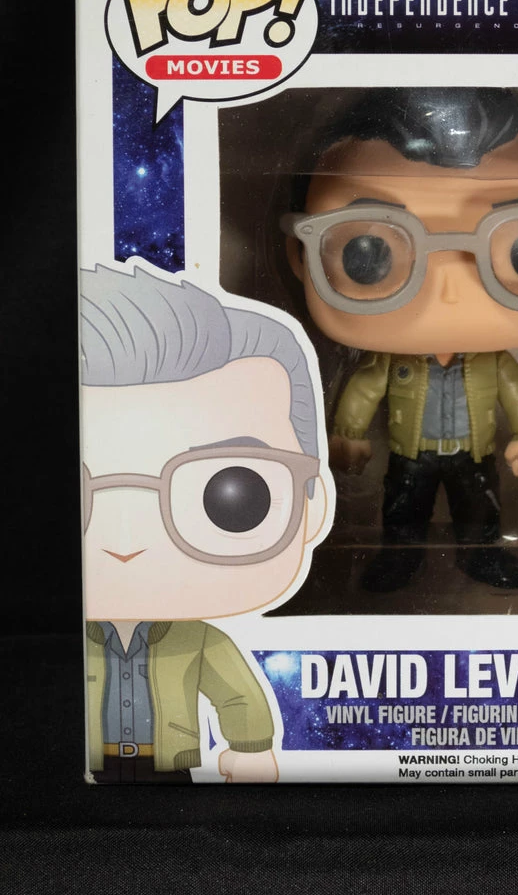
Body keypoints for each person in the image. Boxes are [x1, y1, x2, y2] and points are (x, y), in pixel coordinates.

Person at [284, 88, 518, 592]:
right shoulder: (390, 362)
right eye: (367, 254)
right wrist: (347, 433)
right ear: (298, 255)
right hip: (411, 454)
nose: (448, 290)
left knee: (479, 506)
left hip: (472, 454)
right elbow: (364, 388)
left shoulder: (492, 363)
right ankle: (400, 559)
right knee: (403, 507)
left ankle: (482, 555)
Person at [81, 264, 331, 782]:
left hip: (170, 769)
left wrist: (250, 748)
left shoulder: (196, 640)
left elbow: (237, 694)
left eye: (232, 497)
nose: (126, 542)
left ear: (315, 505)